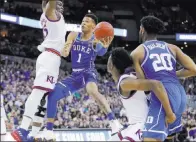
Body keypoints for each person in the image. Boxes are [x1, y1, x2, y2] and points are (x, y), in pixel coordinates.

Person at [37, 13, 121, 141]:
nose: (83, 23)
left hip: (88, 72)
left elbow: (101, 51)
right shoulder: (73, 35)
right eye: (83, 20)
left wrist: (105, 46)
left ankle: (113, 122)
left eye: (87, 21)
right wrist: (62, 49)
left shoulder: (95, 39)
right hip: (75, 75)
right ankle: (49, 130)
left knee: (92, 91)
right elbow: (65, 52)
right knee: (52, 95)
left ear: (94, 27)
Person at [131, 15, 196, 141]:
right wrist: (173, 74)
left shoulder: (137, 52)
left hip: (162, 95)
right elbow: (194, 70)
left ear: (142, 29)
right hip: (179, 94)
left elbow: (144, 85)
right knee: (169, 137)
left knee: (149, 138)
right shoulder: (172, 47)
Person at [11, 0, 66, 141]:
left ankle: (32, 134)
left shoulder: (54, 18)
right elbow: (49, 6)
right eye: (57, 3)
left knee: (44, 98)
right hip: (50, 57)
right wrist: (49, 4)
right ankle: (23, 129)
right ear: (48, 5)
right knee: (38, 93)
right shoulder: (50, 15)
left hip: (52, 58)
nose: (60, 6)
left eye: (61, 4)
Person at [107, 48, 175, 141]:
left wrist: (170, 114)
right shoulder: (135, 76)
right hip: (138, 125)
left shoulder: (125, 83)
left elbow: (157, 85)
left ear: (111, 65)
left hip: (144, 126)